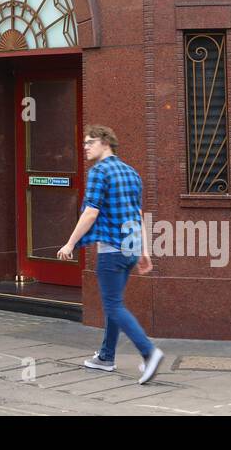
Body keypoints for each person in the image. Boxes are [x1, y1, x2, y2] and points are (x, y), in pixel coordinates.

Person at [57, 124, 165, 385]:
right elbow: (137, 214)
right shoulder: (131, 172)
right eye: (84, 143)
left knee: (113, 306)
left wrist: (70, 243)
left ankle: (150, 353)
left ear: (106, 143)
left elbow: (91, 212)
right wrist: (143, 250)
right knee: (113, 304)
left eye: (90, 142)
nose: (85, 147)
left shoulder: (99, 172)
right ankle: (106, 357)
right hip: (129, 249)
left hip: (112, 251)